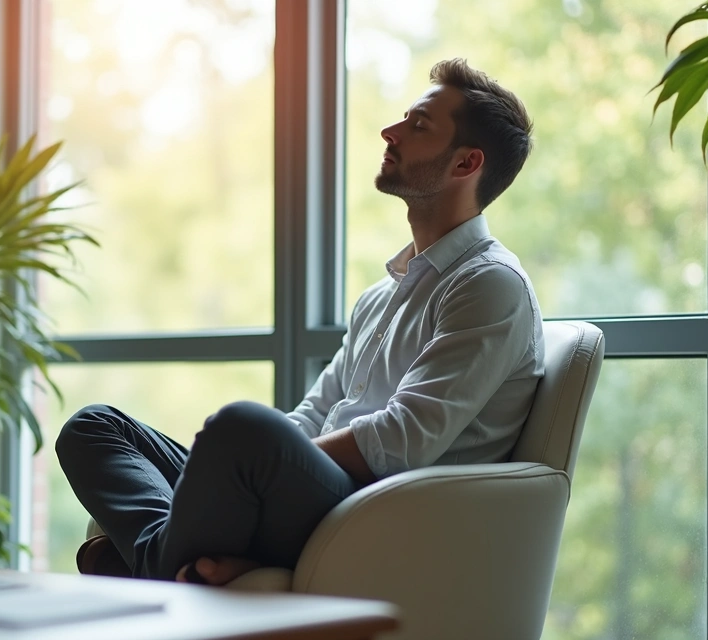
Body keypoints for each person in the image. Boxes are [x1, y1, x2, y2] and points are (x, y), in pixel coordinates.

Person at [56, 58, 544, 586]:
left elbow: (404, 441)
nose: (390, 131)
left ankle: (150, 564)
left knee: (241, 429)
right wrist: (234, 463)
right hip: (307, 494)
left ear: (466, 164)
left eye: (418, 125)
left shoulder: (490, 285)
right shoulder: (383, 295)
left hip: (374, 514)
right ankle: (176, 561)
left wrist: (253, 457)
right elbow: (315, 412)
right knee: (95, 426)